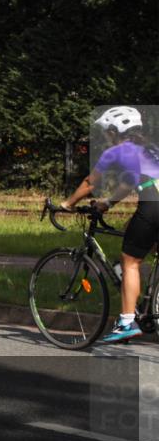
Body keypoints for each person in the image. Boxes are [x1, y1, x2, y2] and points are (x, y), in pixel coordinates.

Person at [60, 106, 159, 343]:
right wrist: (107, 203)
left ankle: (126, 322)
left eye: (106, 132)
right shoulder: (150, 149)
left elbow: (89, 184)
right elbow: (130, 183)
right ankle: (148, 307)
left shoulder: (115, 152)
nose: (106, 136)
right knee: (133, 232)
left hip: (154, 203)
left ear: (115, 130)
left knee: (130, 262)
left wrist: (68, 204)